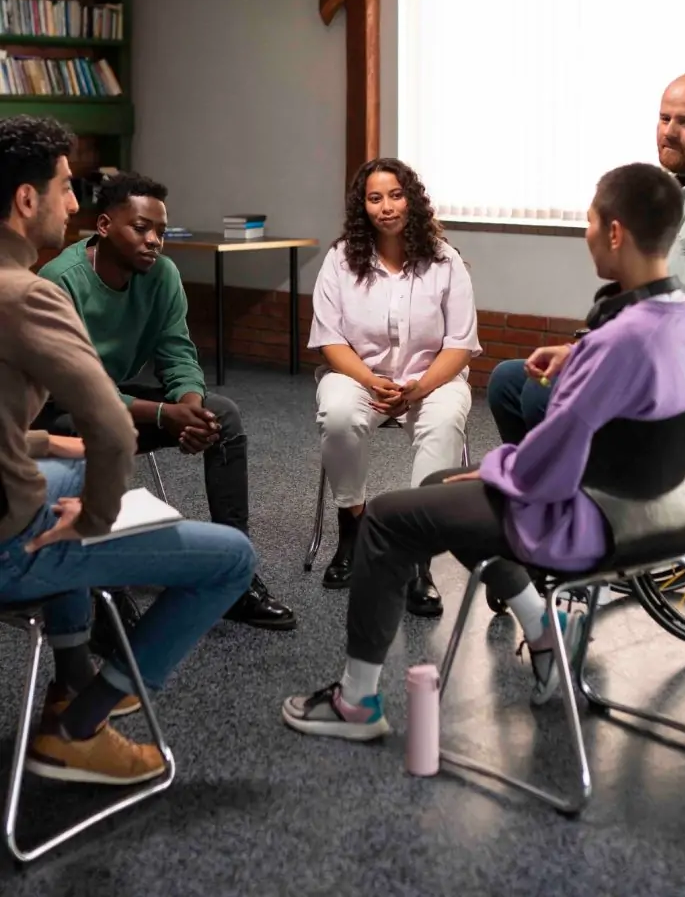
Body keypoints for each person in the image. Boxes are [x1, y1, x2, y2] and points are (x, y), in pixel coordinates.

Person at [281, 162, 685, 738]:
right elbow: (652, 400)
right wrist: (582, 359)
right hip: (664, 518)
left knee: (391, 517)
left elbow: (549, 465)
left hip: (589, 523)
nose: (588, 233)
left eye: (591, 221)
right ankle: (543, 626)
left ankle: (356, 704)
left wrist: (494, 470)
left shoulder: (617, 340)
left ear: (615, 233)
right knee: (440, 488)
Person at [0, 114, 257, 784]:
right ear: (27, 201)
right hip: (9, 540)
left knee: (67, 469)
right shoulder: (33, 293)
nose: (74, 204)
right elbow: (111, 428)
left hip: (19, 481)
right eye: (64, 188)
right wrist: (93, 518)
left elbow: (172, 358)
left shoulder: (150, 279)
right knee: (232, 558)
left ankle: (71, 674)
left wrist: (43, 442)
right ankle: (80, 730)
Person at [36, 171, 295, 635]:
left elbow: (177, 353)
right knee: (82, 427)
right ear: (104, 226)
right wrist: (161, 414)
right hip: (61, 411)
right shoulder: (60, 281)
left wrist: (191, 411)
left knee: (225, 416)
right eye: (141, 228)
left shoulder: (163, 275)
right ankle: (99, 598)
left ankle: (235, 577)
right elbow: (71, 385)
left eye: (160, 230)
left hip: (120, 401)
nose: (154, 240)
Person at [488, 71, 685, 445]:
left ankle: (589, 497)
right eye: (665, 118)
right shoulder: (662, 193)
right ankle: (539, 494)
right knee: (508, 380)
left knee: (548, 393)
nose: (669, 131)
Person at [308, 157, 481, 617]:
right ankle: (353, 529)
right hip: (359, 376)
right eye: (374, 198)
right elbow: (329, 339)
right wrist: (370, 380)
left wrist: (420, 388)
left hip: (432, 379)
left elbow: (460, 345)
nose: (386, 206)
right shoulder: (341, 259)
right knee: (340, 414)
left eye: (396, 195)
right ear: (362, 207)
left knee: (445, 423)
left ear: (413, 199)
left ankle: (417, 557)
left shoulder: (446, 261)